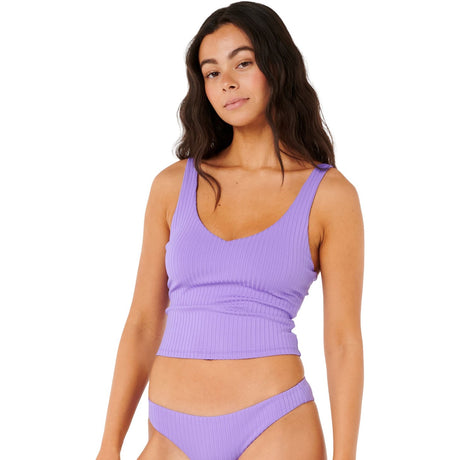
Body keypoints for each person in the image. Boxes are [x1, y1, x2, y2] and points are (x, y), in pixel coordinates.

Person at [96, 2, 364, 459]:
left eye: (243, 63)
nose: (227, 83)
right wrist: (109, 446)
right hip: (169, 432)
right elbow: (142, 321)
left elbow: (342, 341)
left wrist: (346, 457)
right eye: (212, 72)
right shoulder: (172, 185)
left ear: (277, 66)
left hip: (275, 426)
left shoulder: (330, 195)